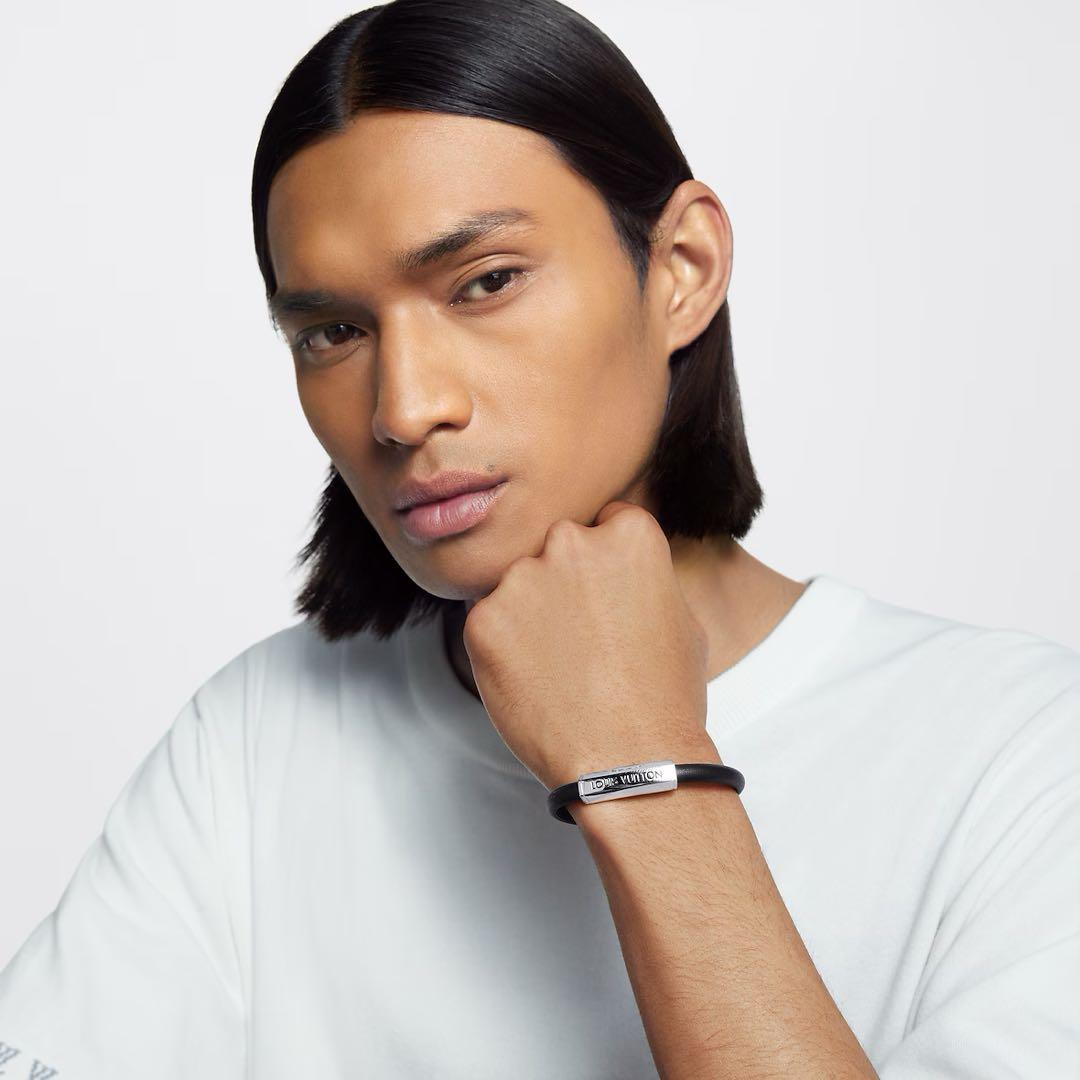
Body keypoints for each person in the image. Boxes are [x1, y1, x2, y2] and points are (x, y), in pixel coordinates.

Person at [2, 0, 1077, 1076]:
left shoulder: (1023, 756)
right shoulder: (256, 739)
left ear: (683, 267)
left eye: (485, 283)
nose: (404, 408)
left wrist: (639, 764)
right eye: (332, 331)